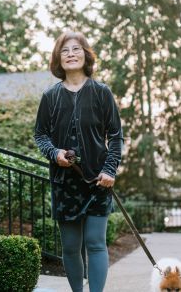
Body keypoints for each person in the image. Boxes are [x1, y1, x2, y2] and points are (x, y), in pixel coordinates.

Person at [34, 31, 123, 292]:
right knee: (71, 247)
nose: (71, 54)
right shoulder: (50, 96)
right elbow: (40, 135)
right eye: (65, 50)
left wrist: (110, 169)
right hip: (64, 182)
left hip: (98, 181)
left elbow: (116, 136)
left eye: (76, 49)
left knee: (96, 243)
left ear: (86, 55)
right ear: (57, 59)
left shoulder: (102, 93)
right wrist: (54, 153)